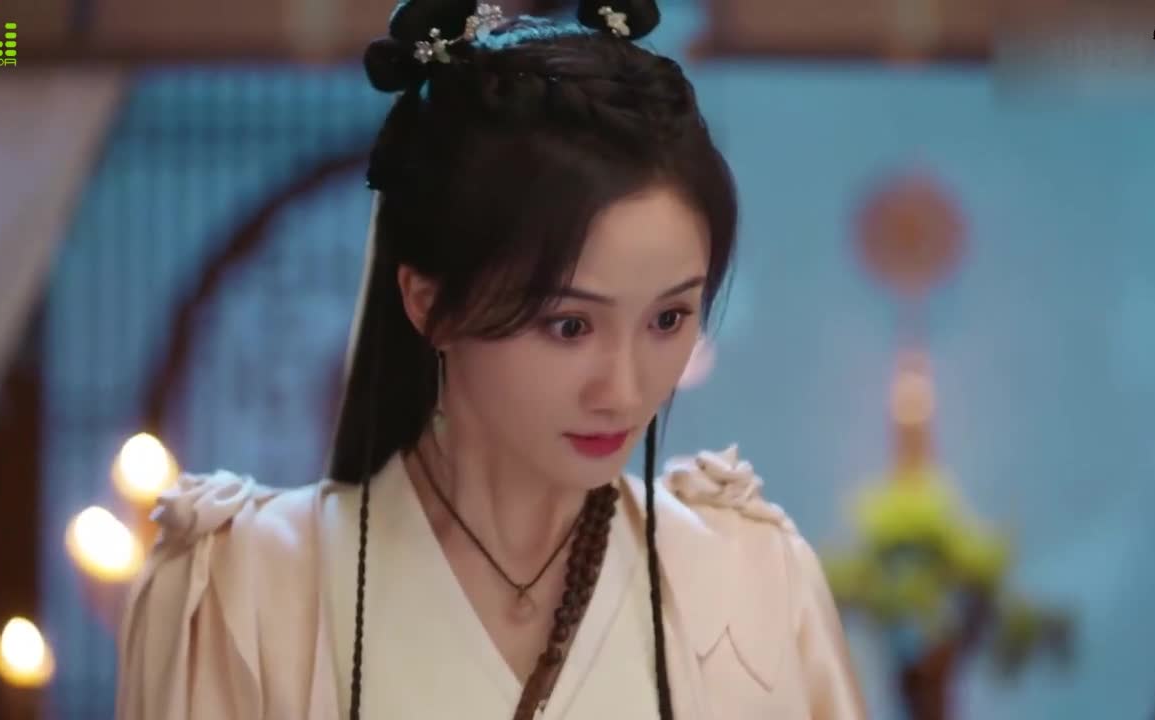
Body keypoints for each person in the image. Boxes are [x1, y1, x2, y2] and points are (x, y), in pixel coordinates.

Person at [115, 1, 867, 718]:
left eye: (667, 319)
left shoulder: (751, 585)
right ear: (429, 304)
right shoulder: (246, 593)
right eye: (569, 326)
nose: (625, 389)